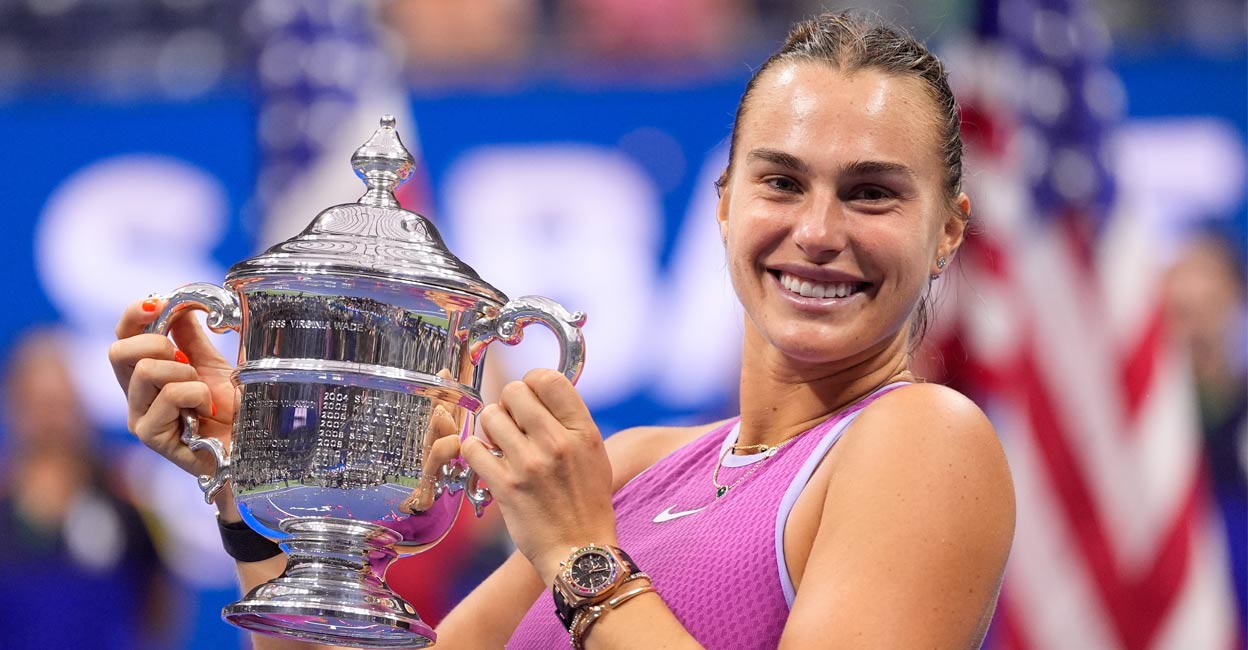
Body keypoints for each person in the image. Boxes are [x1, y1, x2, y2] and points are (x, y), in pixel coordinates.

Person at [108, 11, 1015, 649]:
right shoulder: (629, 467)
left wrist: (582, 559)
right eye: (782, 182)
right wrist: (258, 498)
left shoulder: (924, 439)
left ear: (948, 230)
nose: (819, 231)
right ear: (726, 203)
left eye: (871, 193)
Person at [1, 327, 177, 650]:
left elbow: (158, 608)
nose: (51, 420)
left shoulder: (127, 506)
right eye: (39, 404)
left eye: (61, 404)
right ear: (15, 407)